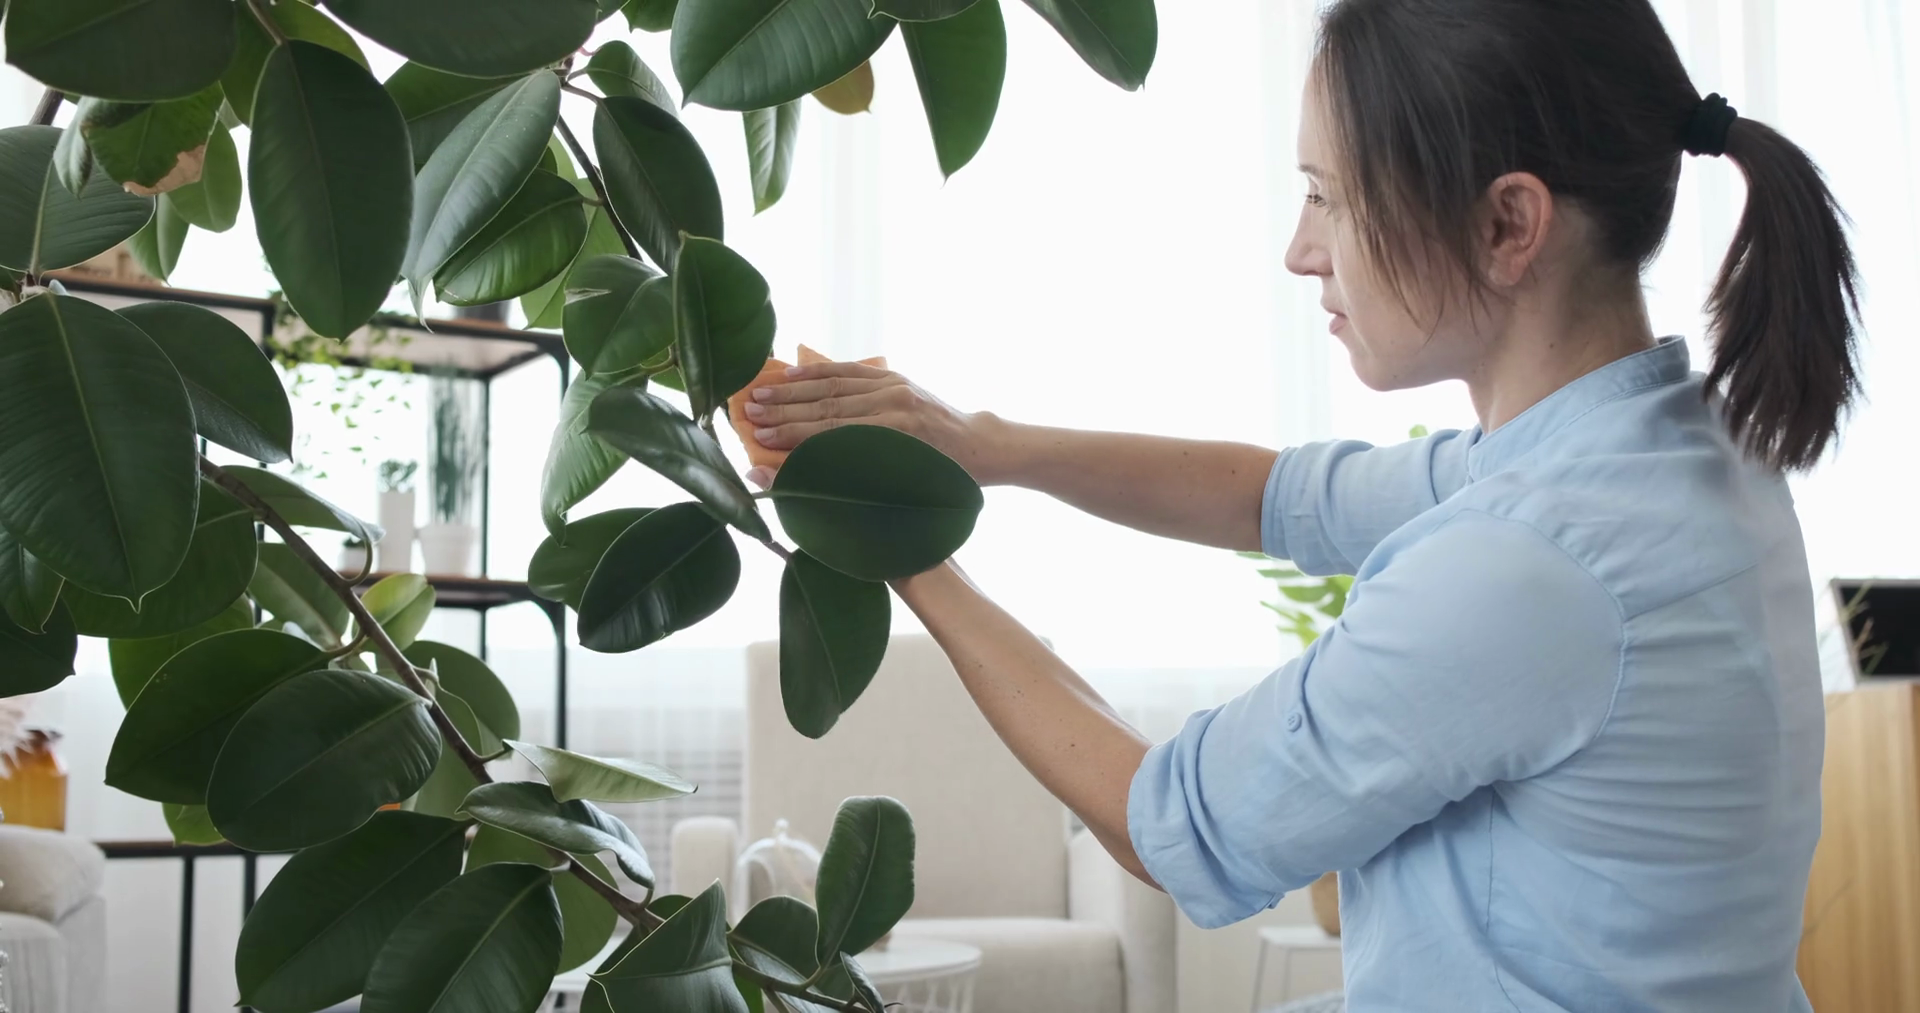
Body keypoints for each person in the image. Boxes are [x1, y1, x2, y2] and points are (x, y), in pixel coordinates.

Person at [741, 0, 1858, 1008]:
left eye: (1330, 196)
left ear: (1508, 225)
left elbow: (1166, 821)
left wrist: (896, 530)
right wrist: (980, 445)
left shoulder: (1529, 562)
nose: (1300, 250)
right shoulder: (1675, 446)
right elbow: (1279, 496)